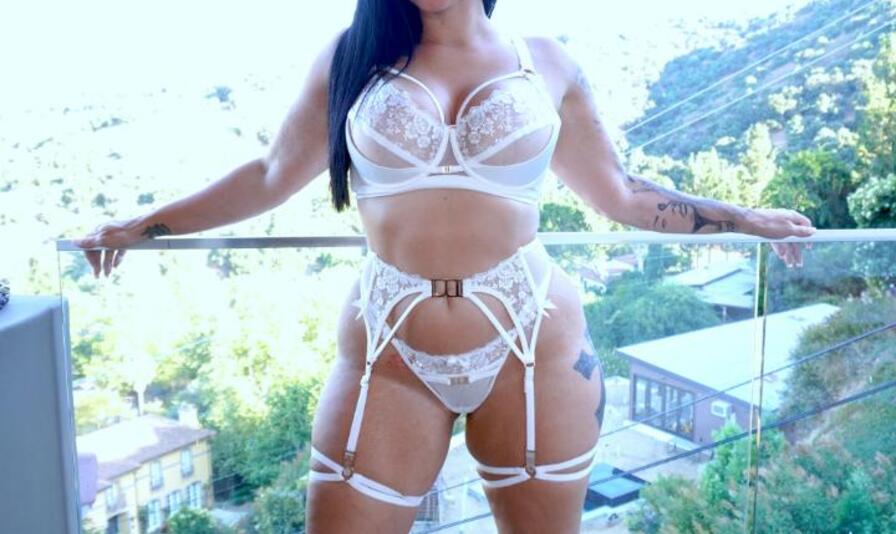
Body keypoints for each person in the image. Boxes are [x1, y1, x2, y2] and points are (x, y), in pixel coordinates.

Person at [74, 1, 815, 532]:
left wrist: (742, 217)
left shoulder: (547, 61)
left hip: (535, 343)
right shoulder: (352, 56)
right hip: (389, 350)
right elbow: (270, 175)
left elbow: (620, 193)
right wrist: (145, 226)